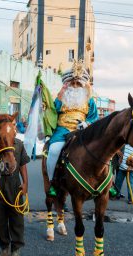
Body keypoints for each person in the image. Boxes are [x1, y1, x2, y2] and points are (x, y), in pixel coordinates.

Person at [46, 60, 98, 196]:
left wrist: (86, 123)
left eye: (78, 83)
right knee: (53, 150)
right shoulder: (60, 97)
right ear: (67, 83)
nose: (75, 86)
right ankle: (52, 182)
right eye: (72, 83)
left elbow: (94, 116)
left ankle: (105, 182)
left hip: (83, 132)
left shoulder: (89, 99)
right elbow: (53, 111)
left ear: (82, 85)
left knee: (100, 149)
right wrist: (61, 93)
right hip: (62, 130)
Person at [0, 124, 29, 256]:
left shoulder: (19, 144)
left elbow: (23, 165)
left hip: (14, 185)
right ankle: (4, 248)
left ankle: (16, 249)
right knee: (0, 219)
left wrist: (25, 184)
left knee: (17, 218)